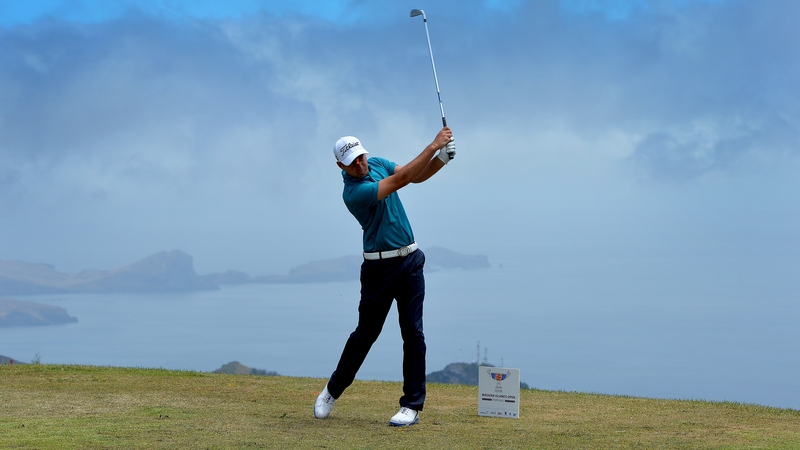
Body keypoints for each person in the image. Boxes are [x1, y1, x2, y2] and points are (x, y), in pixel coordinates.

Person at [314, 126, 455, 427]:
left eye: (360, 156)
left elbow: (414, 176)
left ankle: (411, 406)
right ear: (340, 166)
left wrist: (441, 160)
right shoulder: (353, 194)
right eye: (352, 161)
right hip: (379, 269)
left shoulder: (377, 162)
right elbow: (401, 181)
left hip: (411, 260)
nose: (360, 163)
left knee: (413, 332)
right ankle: (332, 390)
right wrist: (434, 146)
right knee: (366, 334)